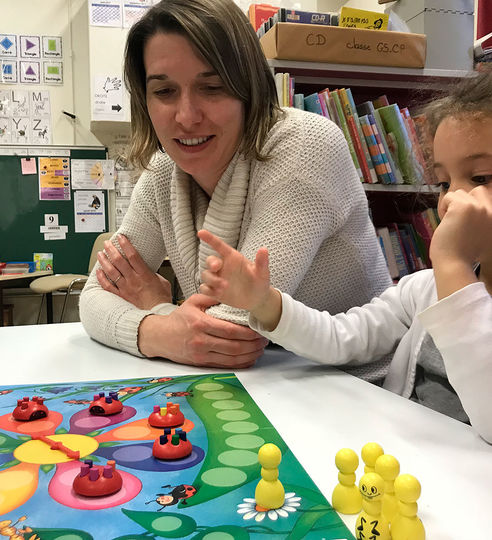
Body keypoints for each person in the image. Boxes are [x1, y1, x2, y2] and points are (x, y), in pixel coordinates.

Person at [79, 0, 391, 372]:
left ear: (250, 87)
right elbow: (94, 295)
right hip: (267, 386)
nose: (186, 116)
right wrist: (159, 327)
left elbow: (236, 331)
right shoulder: (165, 169)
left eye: (212, 87)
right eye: (164, 92)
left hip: (362, 389)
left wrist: (152, 302)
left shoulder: (306, 146)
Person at [197, 72, 492, 443]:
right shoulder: (422, 290)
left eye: (481, 177)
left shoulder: (448, 276)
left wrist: (452, 265)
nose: (450, 200)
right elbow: (342, 337)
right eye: (444, 182)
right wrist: (266, 303)